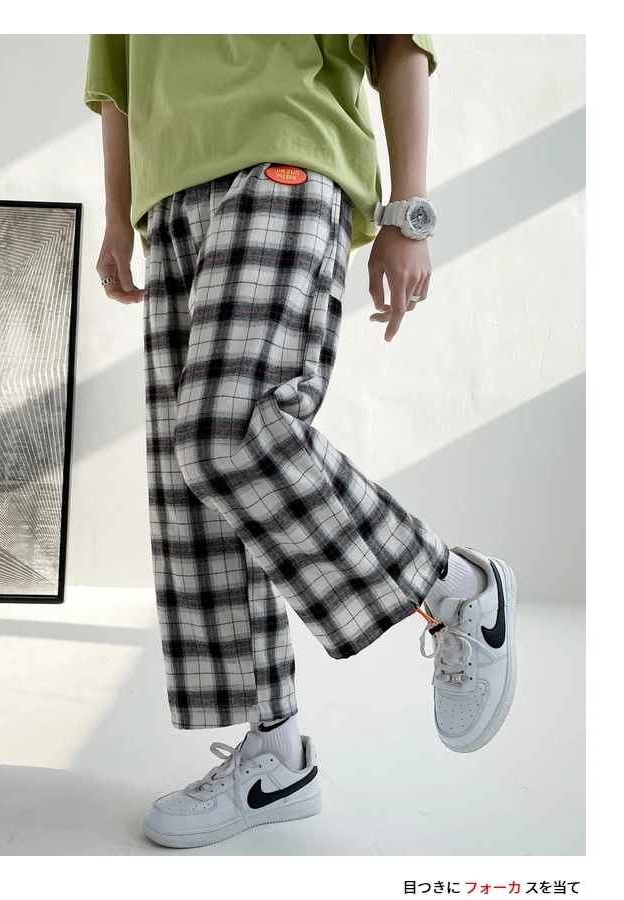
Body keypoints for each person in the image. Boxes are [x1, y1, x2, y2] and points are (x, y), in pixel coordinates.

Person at [84, 34, 517, 850]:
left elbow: (399, 39)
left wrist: (409, 210)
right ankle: (275, 759)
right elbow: (118, 80)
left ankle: (457, 585)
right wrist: (117, 212)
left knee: (228, 433)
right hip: (168, 194)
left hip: (287, 147)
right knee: (200, 488)